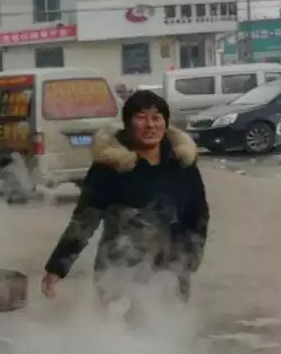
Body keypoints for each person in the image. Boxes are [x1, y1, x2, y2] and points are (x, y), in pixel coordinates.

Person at [41, 89, 208, 307]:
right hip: (118, 270)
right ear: (128, 124)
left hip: (170, 270)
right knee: (119, 334)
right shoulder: (109, 168)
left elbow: (198, 215)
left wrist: (189, 260)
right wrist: (56, 269)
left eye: (157, 118)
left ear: (165, 123)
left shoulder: (182, 164)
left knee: (167, 332)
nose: (150, 125)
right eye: (141, 117)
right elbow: (84, 221)